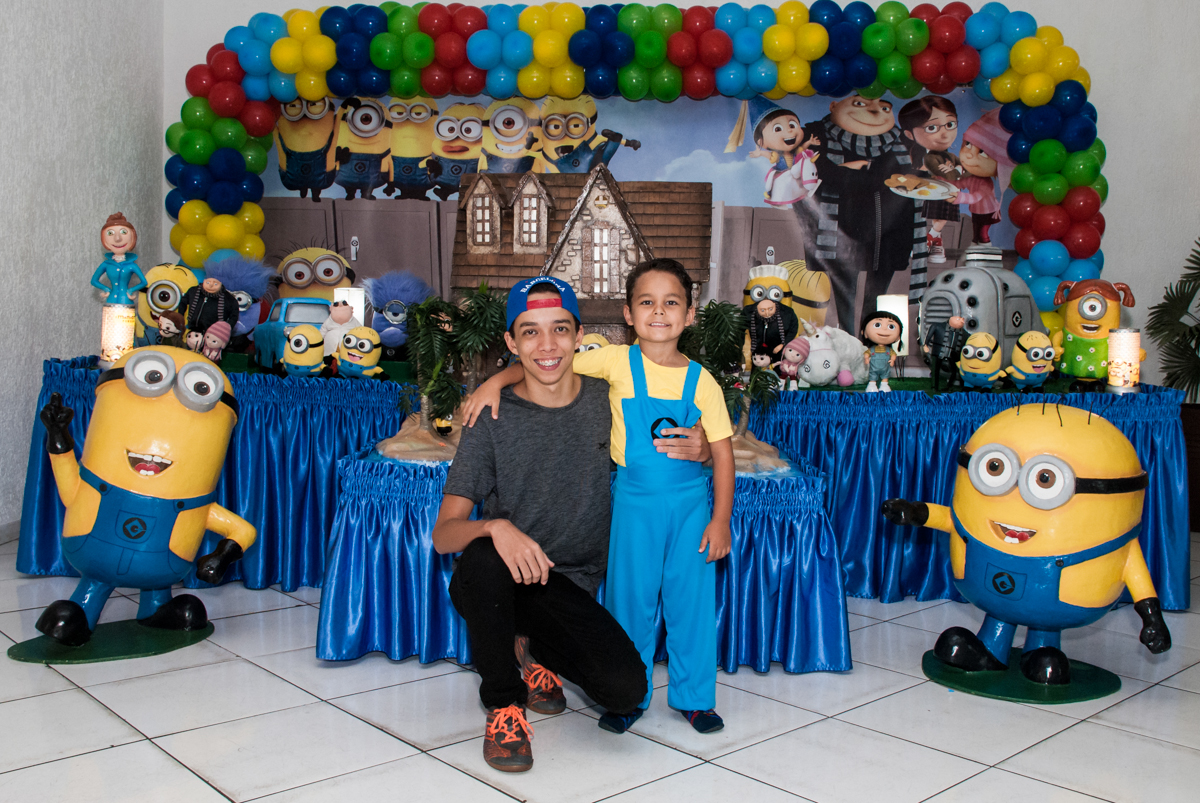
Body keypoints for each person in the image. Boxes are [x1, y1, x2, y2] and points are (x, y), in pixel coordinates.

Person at [435, 275, 712, 773]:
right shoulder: (491, 418)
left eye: (559, 329)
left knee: (626, 692)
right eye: (529, 332)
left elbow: (668, 448)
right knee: (480, 555)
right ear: (510, 341)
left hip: (571, 586)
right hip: (505, 574)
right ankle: (504, 705)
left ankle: (535, 649)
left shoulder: (608, 398)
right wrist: (494, 527)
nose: (546, 345)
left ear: (579, 334)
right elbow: (444, 534)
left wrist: (705, 450)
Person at [794, 95, 928, 334]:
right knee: (845, 294)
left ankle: (871, 344)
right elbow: (815, 174)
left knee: (876, 296)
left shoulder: (904, 141)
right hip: (839, 233)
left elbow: (914, 178)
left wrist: (856, 171)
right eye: (859, 103)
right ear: (833, 105)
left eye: (884, 107)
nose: (874, 111)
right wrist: (867, 175)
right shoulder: (816, 135)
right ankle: (847, 342)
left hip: (889, 234)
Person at [898, 97, 962, 264]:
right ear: (909, 134)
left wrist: (956, 172)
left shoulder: (948, 157)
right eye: (932, 127)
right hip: (909, 200)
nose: (944, 134)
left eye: (950, 125)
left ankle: (933, 237)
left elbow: (962, 171)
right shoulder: (905, 156)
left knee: (946, 199)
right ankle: (932, 238)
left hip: (939, 193)